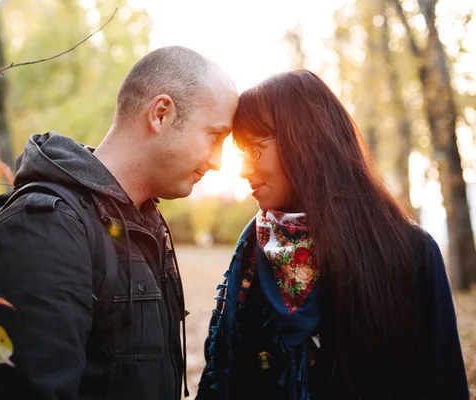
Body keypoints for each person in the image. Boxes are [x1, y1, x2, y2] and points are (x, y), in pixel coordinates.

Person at [0, 46, 238, 400]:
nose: (218, 161)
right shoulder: (44, 231)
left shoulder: (140, 224)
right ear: (160, 114)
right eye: (214, 135)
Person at [196, 70, 469, 400]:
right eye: (240, 153)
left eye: (254, 148)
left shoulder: (409, 253)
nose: (242, 170)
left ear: (306, 141)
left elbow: (444, 383)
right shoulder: (254, 252)